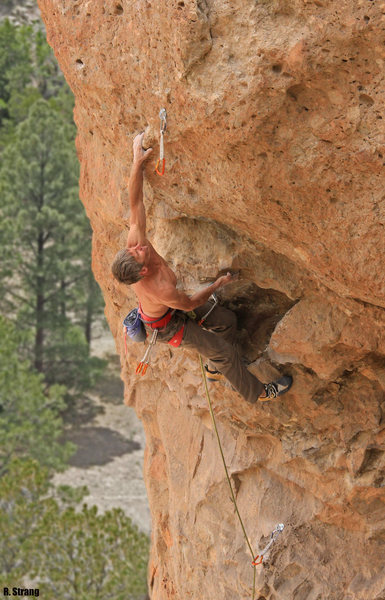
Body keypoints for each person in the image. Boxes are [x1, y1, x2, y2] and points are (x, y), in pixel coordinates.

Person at [111, 133, 292, 403]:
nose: (139, 246)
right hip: (167, 324)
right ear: (143, 272)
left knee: (227, 322)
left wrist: (137, 161)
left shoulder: (136, 247)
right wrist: (218, 285)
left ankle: (213, 369)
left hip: (172, 305)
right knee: (224, 353)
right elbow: (189, 302)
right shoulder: (160, 289)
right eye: (137, 253)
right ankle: (259, 393)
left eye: (134, 249)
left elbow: (135, 202)